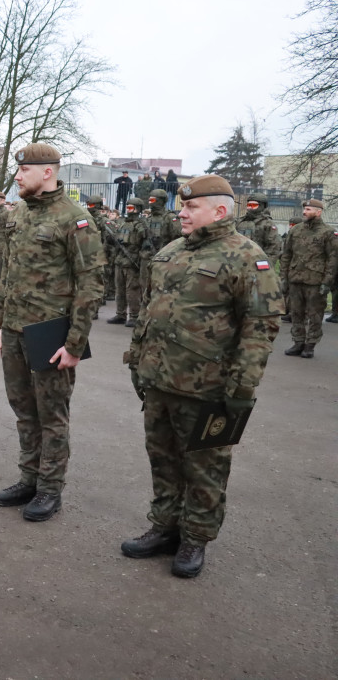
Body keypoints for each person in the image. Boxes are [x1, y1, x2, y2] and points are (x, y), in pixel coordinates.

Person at [123, 174, 283, 578]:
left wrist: (243, 386)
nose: (182, 212)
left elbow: (260, 326)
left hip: (208, 387)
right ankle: (164, 527)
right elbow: (149, 309)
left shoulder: (247, 256)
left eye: (191, 207)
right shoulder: (172, 250)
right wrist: (137, 360)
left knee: (205, 467)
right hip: (159, 380)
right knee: (162, 460)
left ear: (220, 210)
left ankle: (195, 538)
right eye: (183, 205)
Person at [0, 143, 104, 520]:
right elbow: (8, 272)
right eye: (18, 169)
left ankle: (50, 489)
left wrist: (75, 343)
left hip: (51, 334)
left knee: (52, 414)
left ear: (48, 172)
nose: (18, 176)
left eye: (24, 170)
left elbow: (91, 284)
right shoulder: (18, 214)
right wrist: (0, 322)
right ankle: (29, 478)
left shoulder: (74, 218)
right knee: (24, 410)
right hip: (17, 330)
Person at [279, 199, 337, 359]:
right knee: (296, 313)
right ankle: (298, 342)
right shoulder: (295, 230)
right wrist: (284, 277)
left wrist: (327, 282)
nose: (304, 212)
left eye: (308, 209)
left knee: (315, 315)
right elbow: (287, 255)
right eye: (304, 209)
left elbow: (333, 260)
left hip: (315, 281)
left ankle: (310, 345)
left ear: (318, 212)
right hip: (296, 279)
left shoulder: (327, 233)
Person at [106, 198, 145, 327]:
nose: (128, 211)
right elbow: (116, 239)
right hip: (120, 260)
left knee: (132, 290)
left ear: (138, 209)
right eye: (127, 208)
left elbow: (144, 244)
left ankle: (134, 315)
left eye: (131, 208)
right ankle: (120, 314)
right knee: (120, 289)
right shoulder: (123, 223)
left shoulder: (141, 225)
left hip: (131, 261)